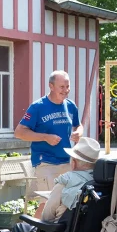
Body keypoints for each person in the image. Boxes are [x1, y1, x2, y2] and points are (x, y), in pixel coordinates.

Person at [14, 71, 84, 213]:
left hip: (67, 161)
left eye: (68, 86)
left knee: (66, 203)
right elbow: (19, 132)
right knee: (48, 203)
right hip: (46, 162)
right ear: (51, 86)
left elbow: (79, 125)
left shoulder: (71, 106)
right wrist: (45, 137)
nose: (66, 91)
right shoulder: (37, 107)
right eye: (62, 87)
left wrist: (79, 133)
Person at [39, 137, 100, 222]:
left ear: (74, 163)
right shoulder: (100, 182)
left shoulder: (66, 181)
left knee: (20, 229)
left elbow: (47, 217)